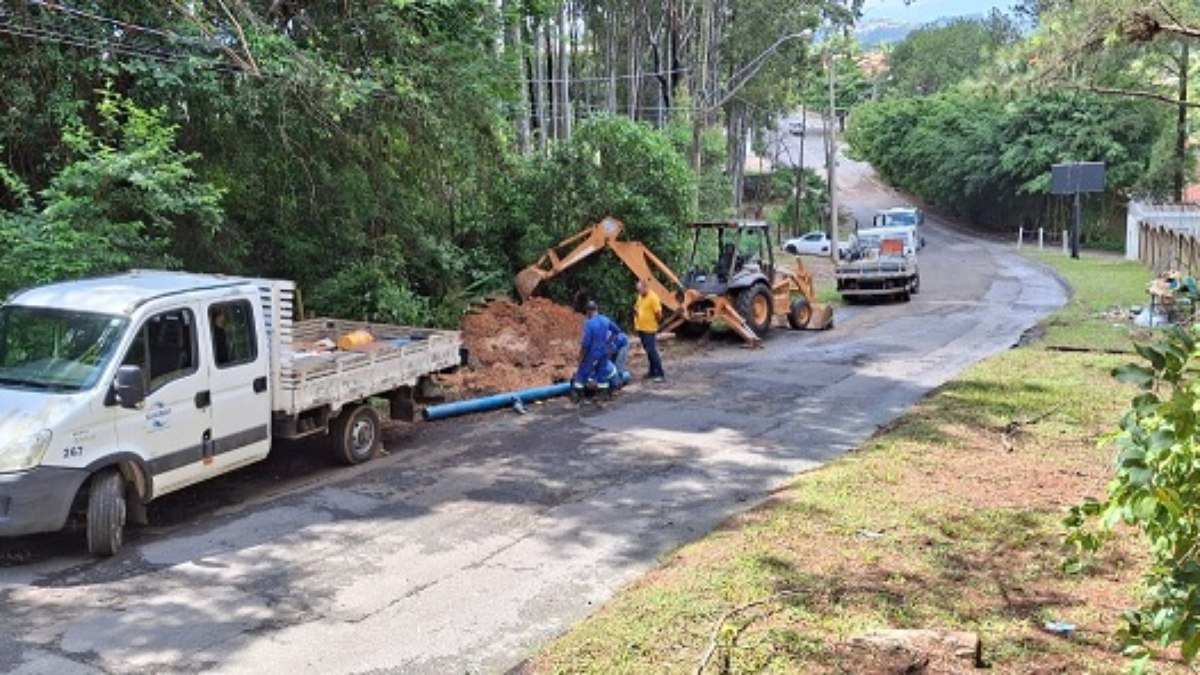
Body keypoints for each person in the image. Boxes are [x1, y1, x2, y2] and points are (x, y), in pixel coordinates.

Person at [572, 301, 616, 402]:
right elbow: (616, 331)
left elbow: (586, 343)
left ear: (588, 311)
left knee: (581, 374)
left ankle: (576, 398)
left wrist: (581, 357)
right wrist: (608, 343)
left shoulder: (589, 323)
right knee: (602, 373)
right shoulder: (605, 320)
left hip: (592, 353)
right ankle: (603, 397)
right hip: (604, 352)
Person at [634, 279, 665, 382]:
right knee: (648, 351)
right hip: (641, 328)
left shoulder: (653, 297)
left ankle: (660, 373)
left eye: (640, 289)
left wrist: (657, 323)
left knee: (652, 351)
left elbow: (659, 314)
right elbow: (638, 308)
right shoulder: (640, 296)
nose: (639, 292)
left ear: (645, 287)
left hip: (649, 329)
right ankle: (652, 371)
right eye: (638, 290)